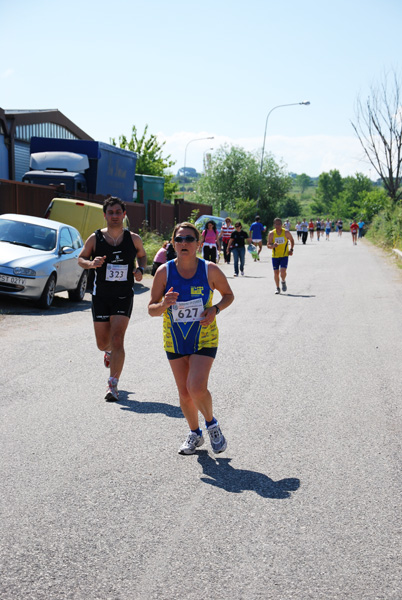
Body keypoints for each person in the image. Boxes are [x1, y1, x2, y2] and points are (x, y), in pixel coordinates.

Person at [148, 222, 234, 455]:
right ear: (173, 244)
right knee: (184, 393)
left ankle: (211, 424)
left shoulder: (210, 270)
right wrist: (164, 304)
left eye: (188, 239)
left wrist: (215, 309)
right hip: (174, 339)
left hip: (204, 336)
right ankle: (195, 433)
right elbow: (151, 309)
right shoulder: (164, 272)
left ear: (198, 243)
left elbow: (228, 295)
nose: (183, 243)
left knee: (195, 386)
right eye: (179, 239)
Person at [78, 197, 147, 401]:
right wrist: (91, 264)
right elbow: (81, 259)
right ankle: (108, 352)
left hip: (123, 296)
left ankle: (113, 385)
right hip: (101, 296)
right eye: (111, 212)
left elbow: (142, 255)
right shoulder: (95, 238)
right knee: (103, 343)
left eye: (118, 212)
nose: (115, 216)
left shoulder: (133, 239)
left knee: (118, 339)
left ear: (124, 215)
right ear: (105, 215)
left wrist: (140, 269)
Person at [267, 217, 294, 294]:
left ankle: (283, 281)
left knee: (283, 271)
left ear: (282, 224)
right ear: (274, 225)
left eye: (279, 224)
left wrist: (291, 249)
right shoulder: (271, 233)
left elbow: (292, 240)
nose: (278, 225)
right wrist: (273, 246)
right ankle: (277, 288)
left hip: (284, 255)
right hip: (275, 256)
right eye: (276, 224)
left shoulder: (286, 232)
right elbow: (268, 245)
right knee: (276, 273)